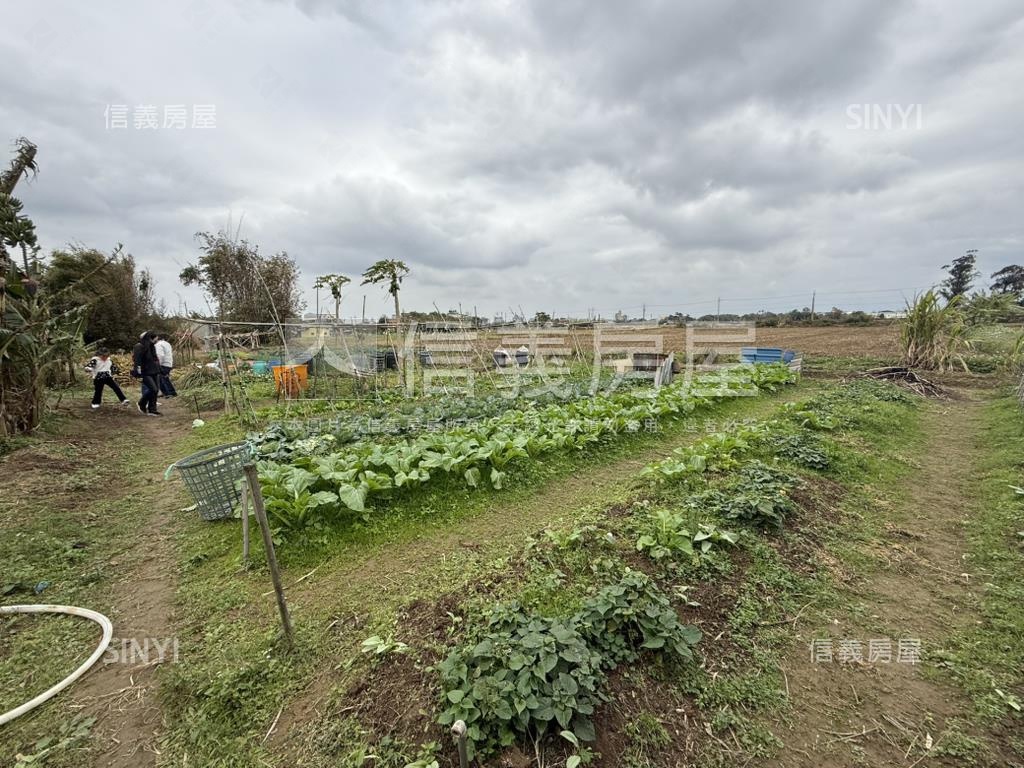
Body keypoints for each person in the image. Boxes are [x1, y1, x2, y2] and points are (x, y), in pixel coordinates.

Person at [132, 331, 162, 416]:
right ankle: (141, 403)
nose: (157, 340)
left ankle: (152, 410)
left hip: (154, 371)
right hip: (145, 372)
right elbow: (137, 361)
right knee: (153, 389)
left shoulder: (152, 346)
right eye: (156, 338)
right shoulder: (139, 346)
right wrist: (138, 372)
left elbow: (155, 359)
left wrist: (159, 369)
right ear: (151, 338)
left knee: (155, 391)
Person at [155, 333, 178, 398]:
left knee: (163, 378)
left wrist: (158, 364)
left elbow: (160, 355)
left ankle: (171, 393)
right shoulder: (167, 343)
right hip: (168, 363)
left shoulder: (158, 345)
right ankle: (166, 392)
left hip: (163, 364)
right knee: (162, 378)